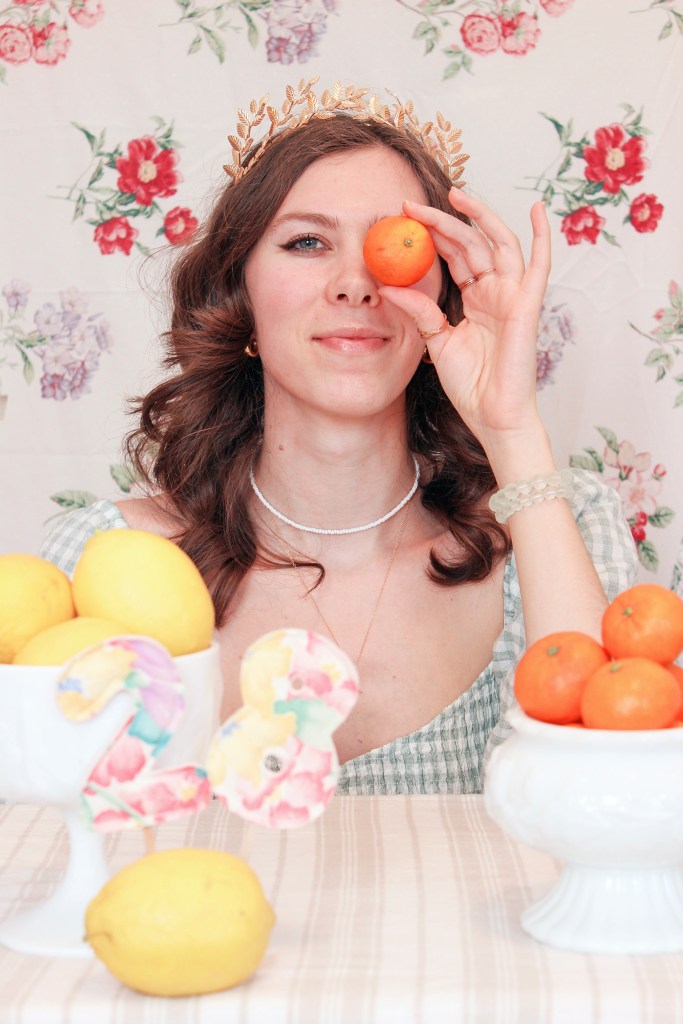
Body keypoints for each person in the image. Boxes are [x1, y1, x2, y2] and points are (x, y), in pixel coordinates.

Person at [41, 80, 637, 795]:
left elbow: (612, 798)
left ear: (442, 297)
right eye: (307, 242)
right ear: (241, 297)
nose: (356, 283)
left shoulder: (562, 533)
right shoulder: (94, 565)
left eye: (395, 244)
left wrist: (510, 429)